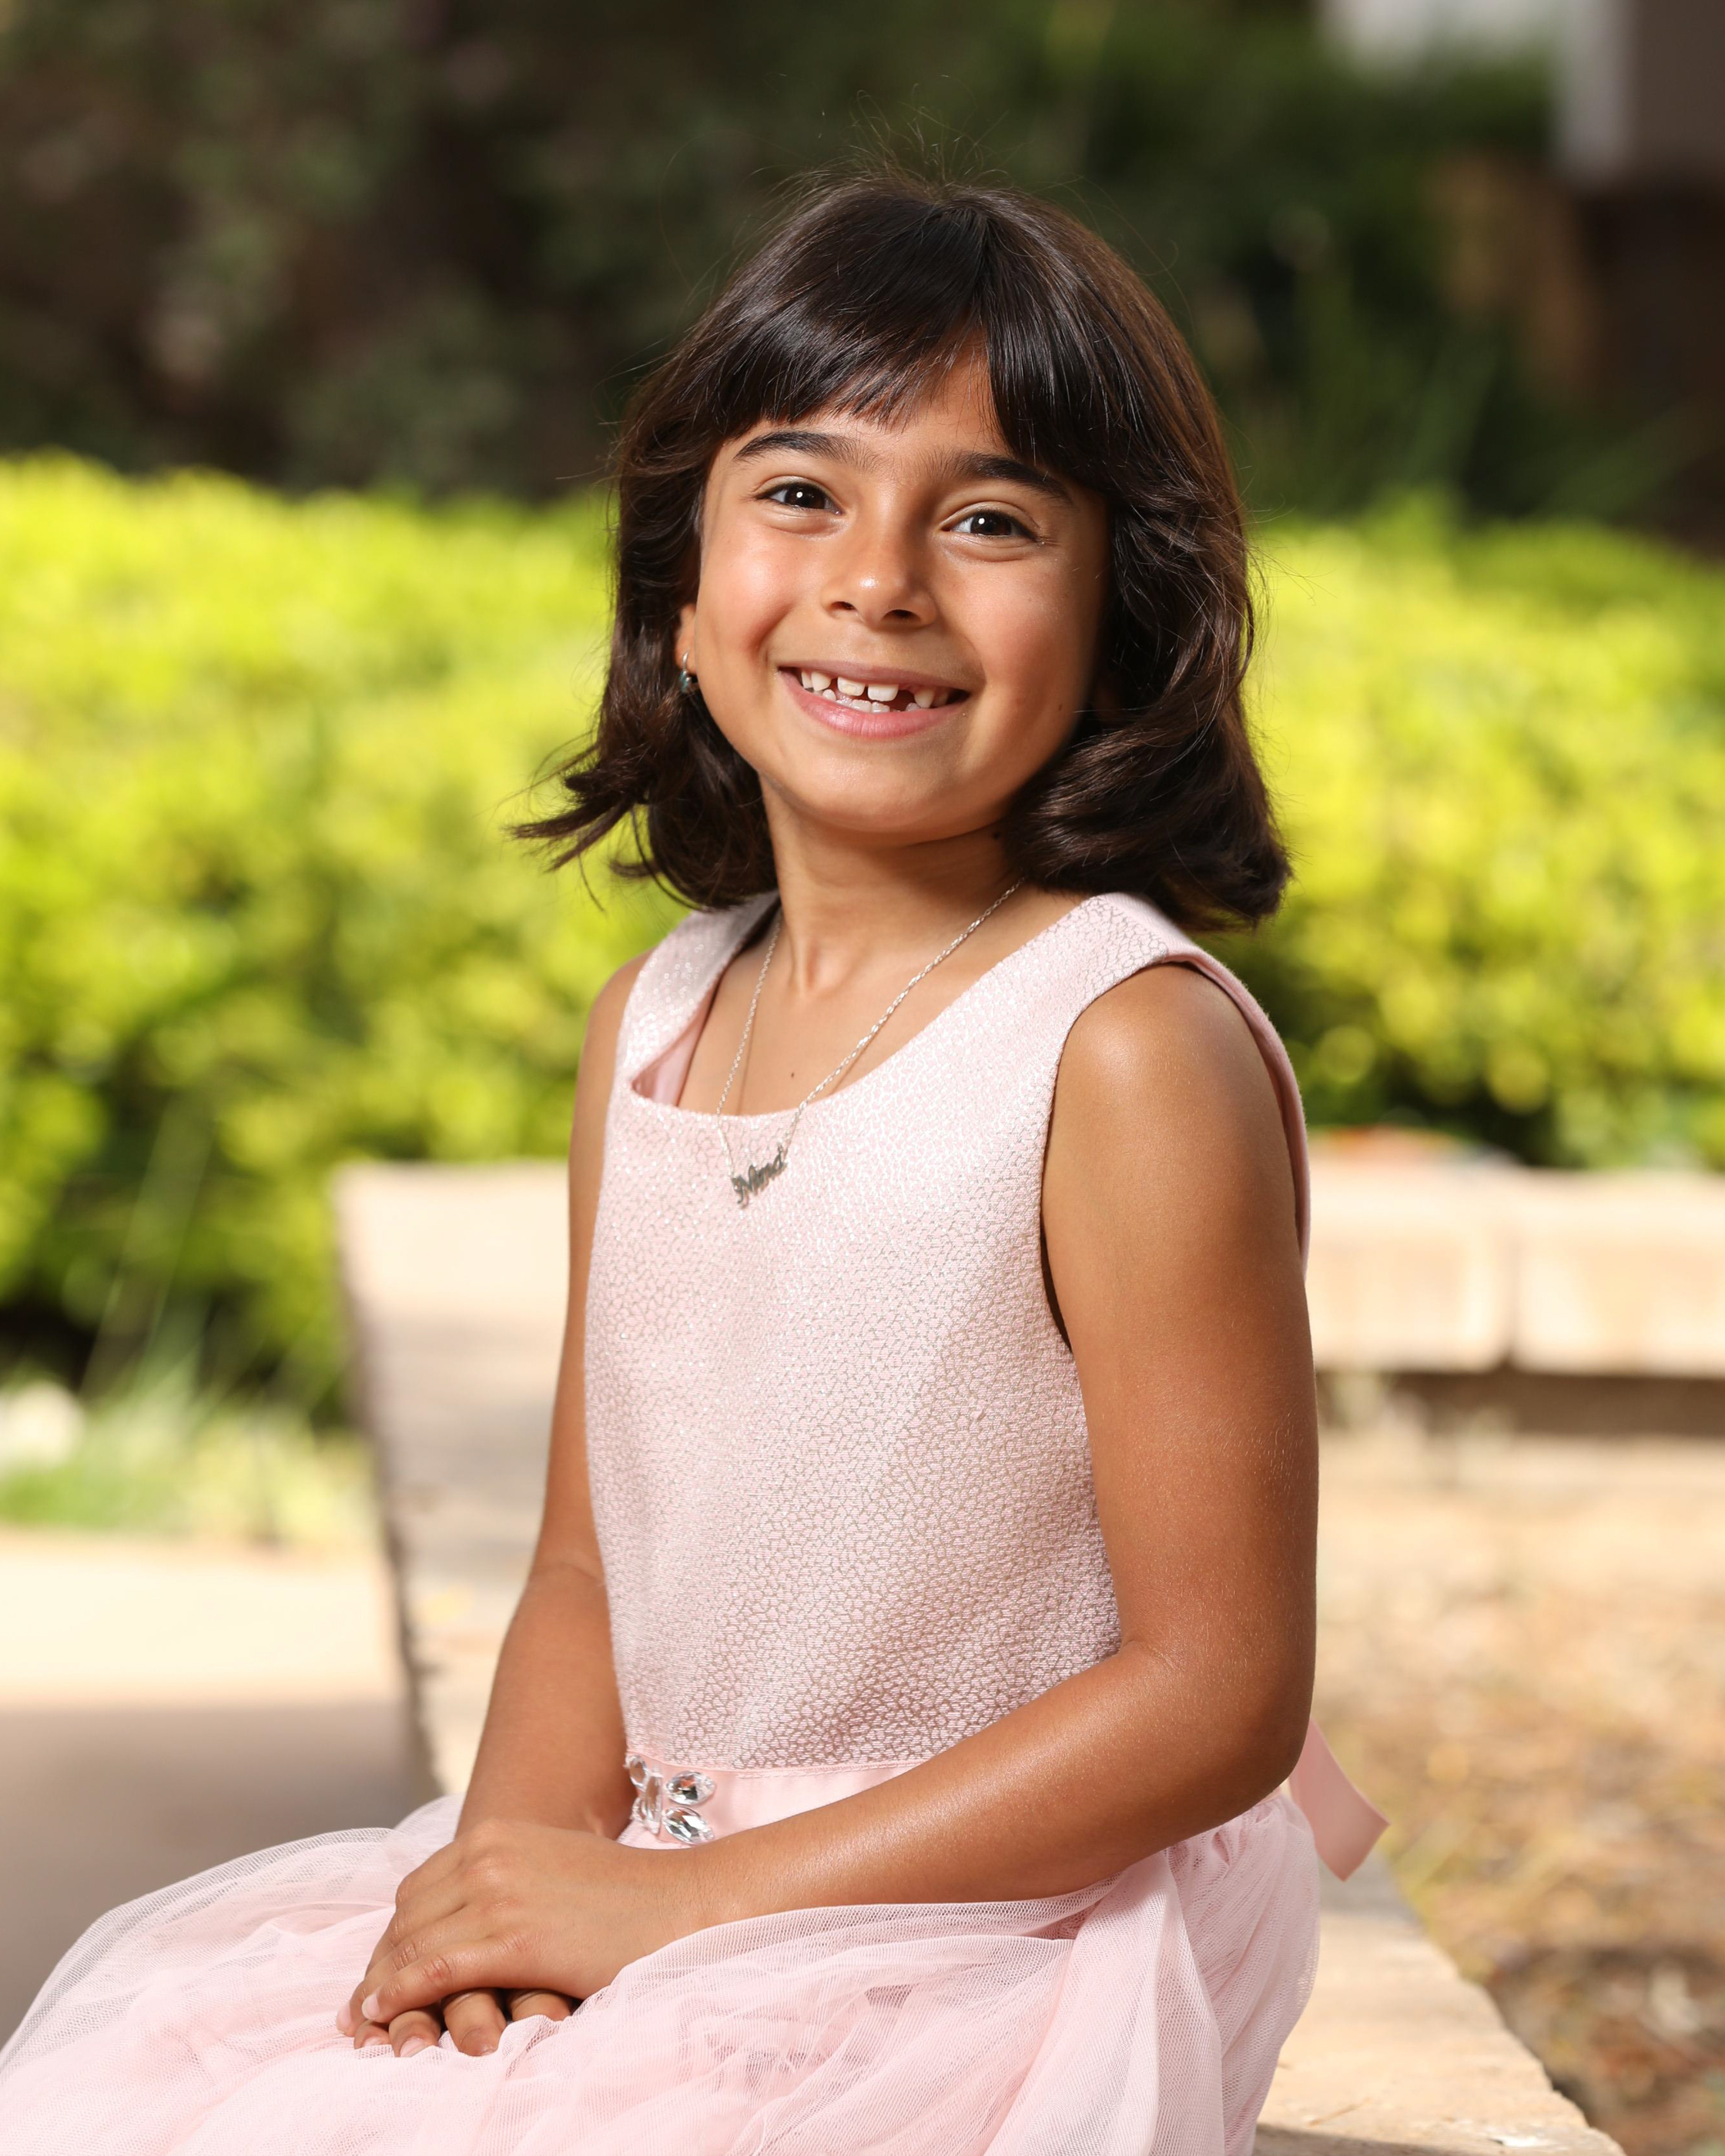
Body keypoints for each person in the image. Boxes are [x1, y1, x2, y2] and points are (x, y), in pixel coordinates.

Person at [0, 167, 1383, 2155]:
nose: (879, 581)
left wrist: (677, 1914)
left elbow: (1217, 1691)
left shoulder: (1120, 1049)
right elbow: (590, 1573)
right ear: (681, 580)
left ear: (1123, 613)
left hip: (983, 1930)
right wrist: (499, 1912)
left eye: (990, 520)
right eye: (802, 491)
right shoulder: (654, 1022)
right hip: (667, 1879)